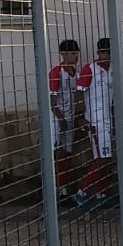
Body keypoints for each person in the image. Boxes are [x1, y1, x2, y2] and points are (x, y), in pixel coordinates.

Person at [74, 37, 115, 208]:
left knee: (104, 159)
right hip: (95, 121)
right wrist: (80, 117)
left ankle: (101, 194)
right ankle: (82, 191)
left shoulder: (112, 70)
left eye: (109, 52)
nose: (107, 55)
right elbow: (79, 93)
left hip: (108, 121)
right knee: (103, 158)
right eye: (104, 52)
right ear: (99, 53)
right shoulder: (89, 69)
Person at [48, 38, 81, 205]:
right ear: (64, 54)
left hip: (70, 118)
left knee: (67, 154)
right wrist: (60, 117)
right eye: (73, 53)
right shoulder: (57, 72)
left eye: (76, 53)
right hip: (58, 119)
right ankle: (54, 190)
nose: (76, 56)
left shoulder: (77, 74)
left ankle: (64, 189)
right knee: (57, 153)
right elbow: (51, 98)